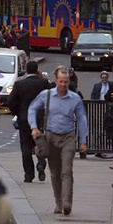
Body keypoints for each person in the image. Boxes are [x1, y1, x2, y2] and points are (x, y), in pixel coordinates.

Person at [28, 69, 88, 215]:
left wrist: (83, 141)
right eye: (61, 81)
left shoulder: (74, 98)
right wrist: (34, 127)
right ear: (56, 81)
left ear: (69, 82)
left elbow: (81, 119)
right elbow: (32, 109)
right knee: (55, 172)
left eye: (66, 82)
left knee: (66, 170)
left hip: (68, 137)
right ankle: (58, 202)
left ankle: (67, 203)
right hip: (51, 137)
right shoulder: (46, 95)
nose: (63, 85)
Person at [9, 61, 50, 183]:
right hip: (40, 119)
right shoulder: (43, 83)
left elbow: (11, 100)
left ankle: (29, 174)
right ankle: (41, 163)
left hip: (24, 118)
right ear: (37, 69)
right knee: (40, 144)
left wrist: (17, 112)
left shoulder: (19, 84)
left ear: (26, 70)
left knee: (26, 146)